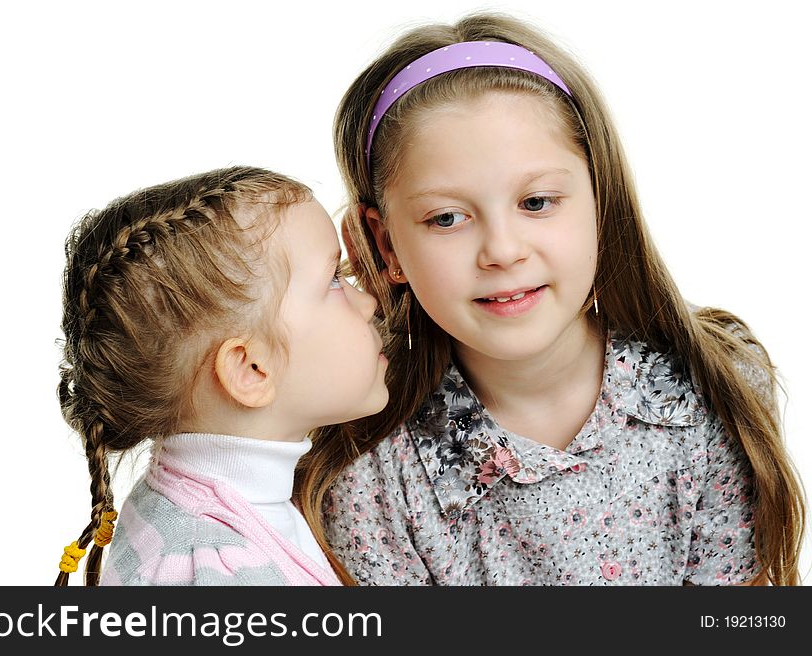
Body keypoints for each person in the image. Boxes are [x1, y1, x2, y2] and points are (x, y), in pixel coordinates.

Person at [295, 12, 806, 585]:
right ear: (387, 245)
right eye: (446, 217)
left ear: (599, 200)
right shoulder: (369, 476)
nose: (503, 250)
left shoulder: (707, 394)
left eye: (536, 202)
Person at [55, 166, 388, 586]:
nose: (369, 303)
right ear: (251, 369)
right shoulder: (217, 573)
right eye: (335, 281)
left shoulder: (189, 507)